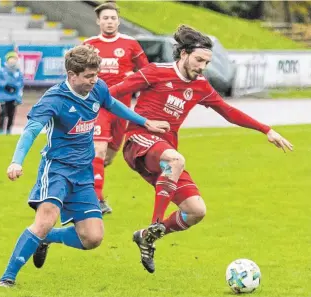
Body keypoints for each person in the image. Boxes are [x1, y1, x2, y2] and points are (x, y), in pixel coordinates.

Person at [109, 25, 293, 274]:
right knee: (175, 159)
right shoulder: (155, 72)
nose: (202, 67)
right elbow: (112, 94)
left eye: (207, 62)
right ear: (183, 54)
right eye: (199, 60)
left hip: (166, 157)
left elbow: (229, 112)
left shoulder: (201, 86)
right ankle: (155, 224)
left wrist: (266, 130)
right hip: (138, 141)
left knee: (196, 211)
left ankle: (146, 237)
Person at [0, 44, 169, 287]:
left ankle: (45, 239)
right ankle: (7, 278)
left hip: (83, 173)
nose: (94, 80)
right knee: (45, 220)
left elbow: (111, 103)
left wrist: (144, 122)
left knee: (93, 238)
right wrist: (16, 161)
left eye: (95, 75)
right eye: (88, 76)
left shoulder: (97, 87)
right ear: (71, 75)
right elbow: (31, 131)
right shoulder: (55, 99)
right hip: (56, 169)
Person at [83, 2, 149, 214]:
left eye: (112, 18)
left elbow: (147, 72)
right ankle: (96, 201)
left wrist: (135, 78)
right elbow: (76, 72)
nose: (109, 22)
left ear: (118, 21)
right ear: (98, 21)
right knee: (98, 150)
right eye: (105, 18)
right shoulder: (88, 45)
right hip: (98, 105)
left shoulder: (131, 44)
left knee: (108, 157)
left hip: (121, 109)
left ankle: (86, 182)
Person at [0, 51, 24, 135]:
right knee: (2, 113)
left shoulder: (18, 72)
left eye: (14, 59)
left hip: (14, 97)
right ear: (7, 60)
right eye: (11, 59)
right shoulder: (2, 70)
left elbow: (20, 83)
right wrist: (5, 86)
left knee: (11, 114)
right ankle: (1, 130)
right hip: (3, 96)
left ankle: (8, 130)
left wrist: (15, 89)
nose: (12, 61)